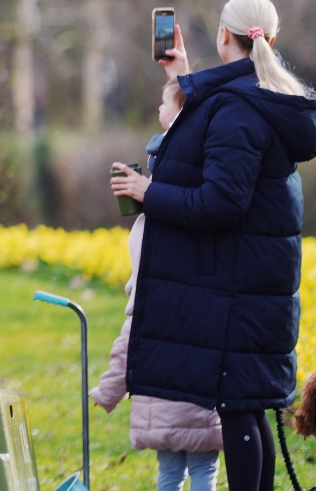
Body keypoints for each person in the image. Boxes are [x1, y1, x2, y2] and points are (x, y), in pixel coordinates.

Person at [110, 0, 316, 491]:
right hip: (253, 278)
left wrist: (149, 191)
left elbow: (220, 202)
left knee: (239, 409)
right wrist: (180, 74)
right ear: (271, 40)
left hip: (237, 285)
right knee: (249, 406)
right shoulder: (259, 97)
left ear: (223, 36)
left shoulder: (240, 110)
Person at [91, 87, 222, 491]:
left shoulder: (152, 291)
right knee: (204, 472)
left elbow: (131, 338)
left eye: (164, 104)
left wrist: (108, 390)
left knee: (169, 474)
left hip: (161, 397)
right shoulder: (206, 277)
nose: (157, 108)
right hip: (204, 394)